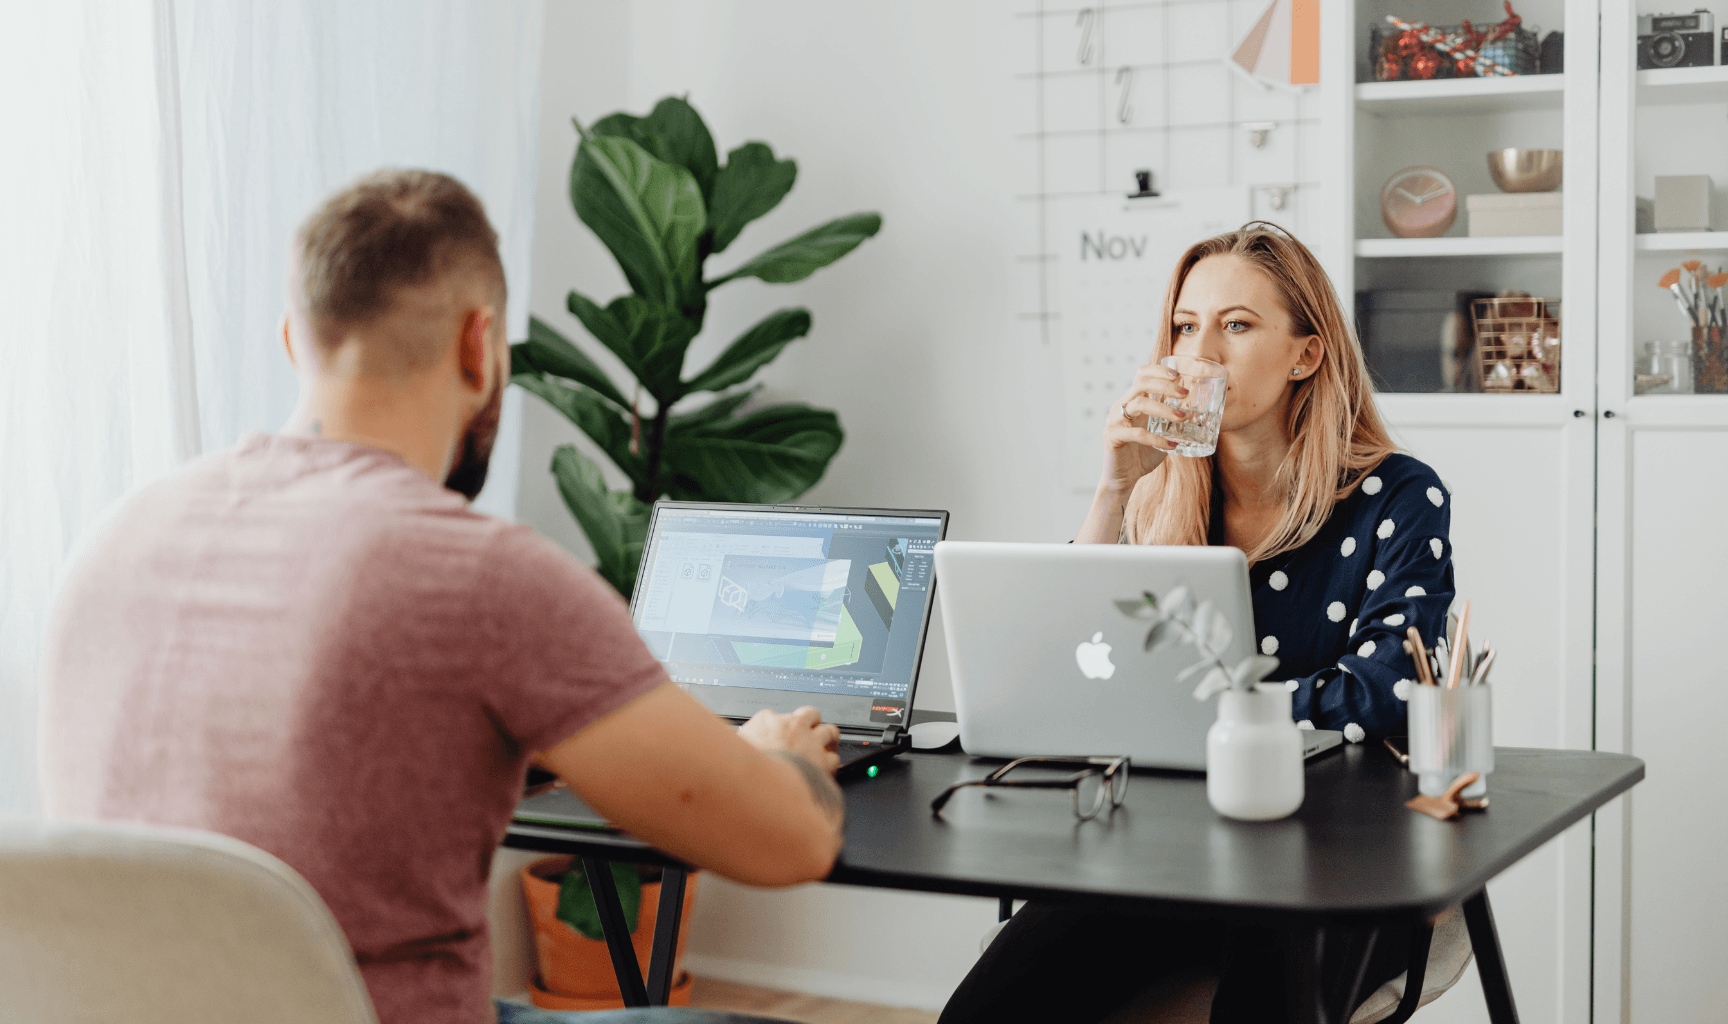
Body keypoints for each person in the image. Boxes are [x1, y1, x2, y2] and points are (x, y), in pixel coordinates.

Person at [41, 169, 845, 1024]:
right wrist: (777, 756)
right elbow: (787, 843)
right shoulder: (476, 571)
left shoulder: (117, 537)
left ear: (294, 340)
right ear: (480, 344)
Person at [940, 223, 1455, 1024]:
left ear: (1306, 356)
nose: (1200, 352)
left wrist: (1206, 717)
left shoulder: (1397, 496)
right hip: (1172, 852)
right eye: (1186, 326)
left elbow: (1386, 690)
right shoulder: (1161, 497)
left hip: (1340, 859)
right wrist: (1111, 490)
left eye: (1236, 325)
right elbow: (1073, 662)